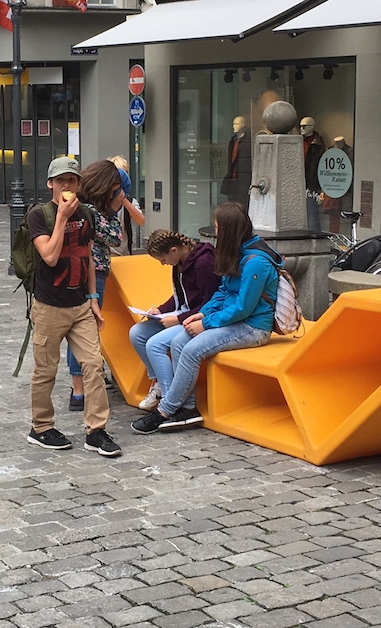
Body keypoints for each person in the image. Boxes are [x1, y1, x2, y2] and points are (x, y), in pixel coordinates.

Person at [130, 202, 277, 434]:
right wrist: (203, 313)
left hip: (253, 326)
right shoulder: (239, 254)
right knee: (180, 341)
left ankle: (165, 410)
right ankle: (188, 409)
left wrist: (206, 323)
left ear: (229, 230)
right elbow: (223, 291)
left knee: (191, 350)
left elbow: (243, 308)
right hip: (231, 319)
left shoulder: (255, 262)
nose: (215, 232)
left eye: (218, 227)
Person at [26, 156, 121, 458]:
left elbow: (87, 257)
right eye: (61, 181)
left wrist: (93, 299)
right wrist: (62, 218)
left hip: (81, 305)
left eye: (72, 180)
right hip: (49, 306)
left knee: (93, 365)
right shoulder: (39, 215)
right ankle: (41, 428)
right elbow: (50, 257)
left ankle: (97, 430)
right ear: (50, 184)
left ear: (79, 184)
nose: (66, 186)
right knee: (46, 370)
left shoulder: (88, 215)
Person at [128, 229, 219, 413]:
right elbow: (180, 295)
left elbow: (211, 302)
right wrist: (160, 310)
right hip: (183, 314)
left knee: (154, 345)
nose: (163, 264)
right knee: (136, 333)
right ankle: (160, 385)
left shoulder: (203, 263)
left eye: (163, 259)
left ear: (174, 250)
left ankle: (171, 399)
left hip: (197, 318)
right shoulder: (179, 264)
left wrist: (178, 318)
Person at [66, 159, 124, 412]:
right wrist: (114, 209)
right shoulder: (92, 212)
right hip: (92, 275)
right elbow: (115, 238)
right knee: (85, 330)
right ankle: (80, 392)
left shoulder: (78, 205)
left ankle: (78, 389)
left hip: (72, 273)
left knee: (77, 329)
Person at [109, 155, 146, 254]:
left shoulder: (130, 201)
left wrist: (124, 200)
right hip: (107, 252)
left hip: (123, 252)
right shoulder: (101, 200)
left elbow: (141, 220)